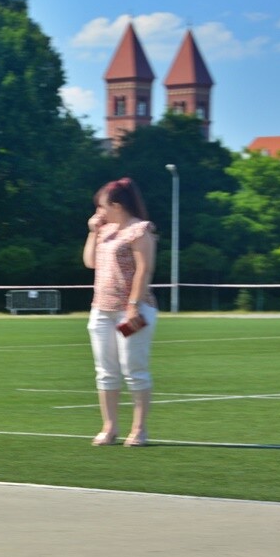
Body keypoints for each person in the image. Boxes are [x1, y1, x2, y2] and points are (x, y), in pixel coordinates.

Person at [82, 177, 159, 447]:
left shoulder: (140, 230)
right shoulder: (105, 231)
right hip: (101, 310)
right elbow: (90, 262)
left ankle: (139, 429)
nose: (98, 211)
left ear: (116, 204)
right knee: (105, 371)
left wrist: (134, 306)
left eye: (101, 206)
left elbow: (143, 270)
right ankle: (110, 427)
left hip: (132, 311)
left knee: (134, 369)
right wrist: (93, 231)